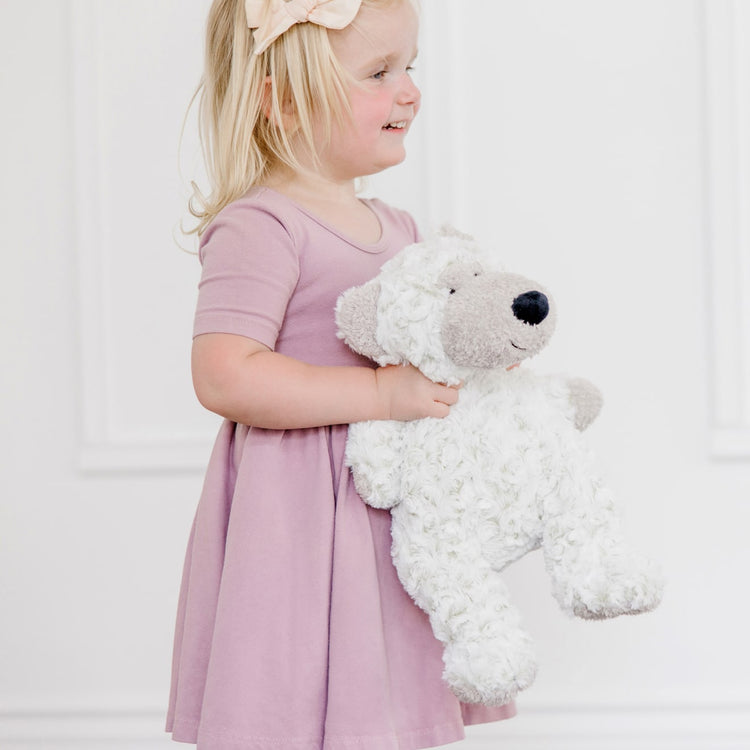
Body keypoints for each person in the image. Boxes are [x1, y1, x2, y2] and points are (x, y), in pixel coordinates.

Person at [167, 1, 516, 747]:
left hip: (388, 502)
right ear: (282, 102)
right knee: (293, 692)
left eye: (410, 67)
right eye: (378, 72)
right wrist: (378, 395)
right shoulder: (263, 225)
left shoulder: (402, 230)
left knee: (384, 700)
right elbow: (225, 375)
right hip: (296, 508)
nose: (410, 90)